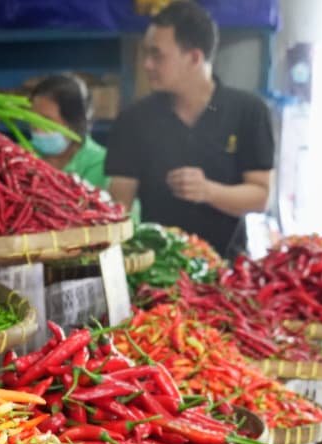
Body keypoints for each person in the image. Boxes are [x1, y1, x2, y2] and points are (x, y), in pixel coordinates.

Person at [104, 0, 274, 255]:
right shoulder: (134, 120)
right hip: (159, 267)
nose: (147, 64)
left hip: (229, 268)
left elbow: (261, 196)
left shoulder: (248, 111)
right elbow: (119, 205)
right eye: (146, 54)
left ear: (194, 57)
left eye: (157, 55)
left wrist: (208, 191)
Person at [29, 74, 108, 188]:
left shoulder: (101, 163)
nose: (37, 128)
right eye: (33, 119)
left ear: (74, 122)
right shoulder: (20, 154)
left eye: (47, 120)